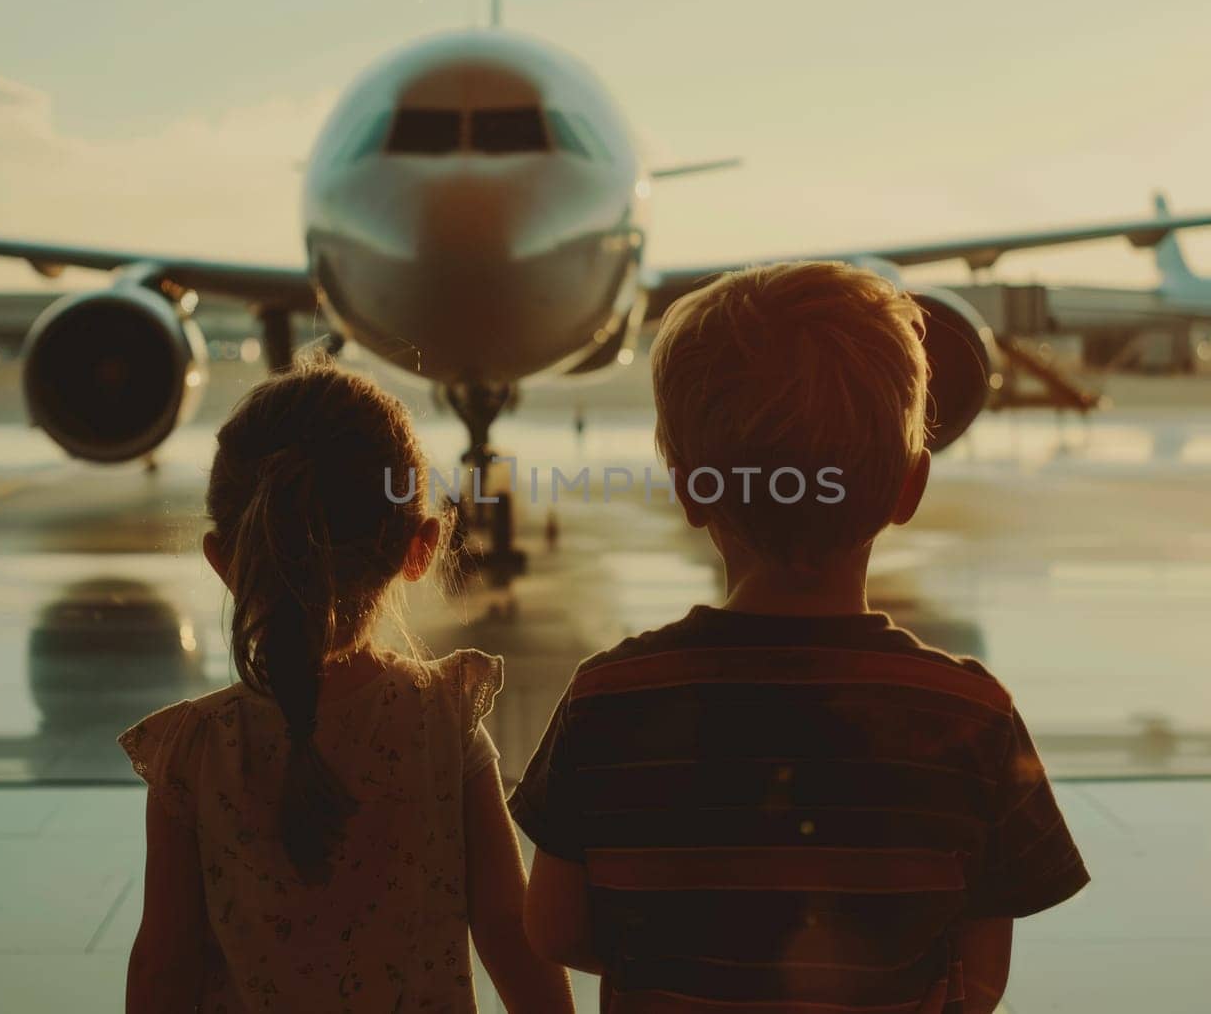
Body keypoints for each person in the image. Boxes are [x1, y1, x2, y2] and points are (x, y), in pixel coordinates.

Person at [510, 262, 1089, 1013]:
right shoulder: (971, 715)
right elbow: (982, 974)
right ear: (910, 486)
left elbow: (552, 928)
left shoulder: (610, 700)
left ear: (692, 491)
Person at [119, 359, 573, 1014]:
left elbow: (163, 969)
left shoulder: (190, 753)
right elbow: (511, 932)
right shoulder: (442, 725)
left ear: (223, 560)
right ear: (420, 547)